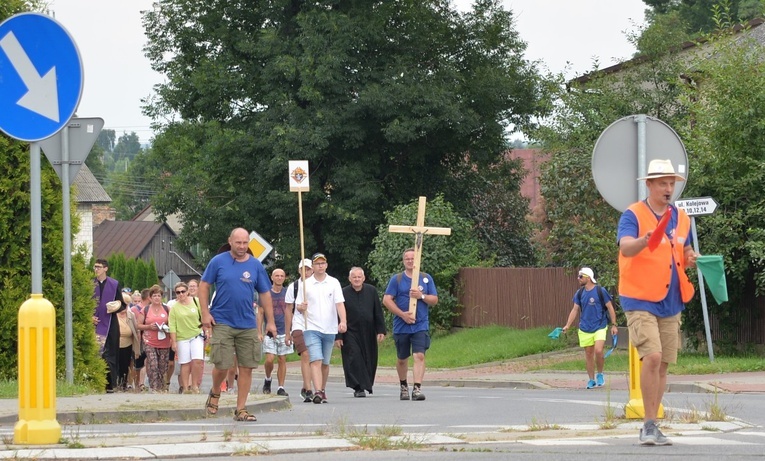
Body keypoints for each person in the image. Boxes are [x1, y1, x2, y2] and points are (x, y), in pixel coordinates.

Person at [617, 159, 698, 446]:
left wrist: (690, 258)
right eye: (662, 183)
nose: (668, 188)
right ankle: (648, 425)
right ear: (648, 185)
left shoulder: (682, 217)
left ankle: (653, 423)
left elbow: (685, 249)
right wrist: (645, 240)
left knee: (663, 363)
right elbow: (625, 247)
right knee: (651, 356)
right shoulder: (634, 214)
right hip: (639, 297)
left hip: (672, 298)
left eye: (671, 183)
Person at [199, 227, 276, 422]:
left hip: (247, 323)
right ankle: (216, 392)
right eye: (238, 242)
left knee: (247, 366)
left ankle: (241, 409)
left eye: (245, 243)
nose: (242, 247)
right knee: (222, 365)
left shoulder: (255, 265)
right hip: (222, 320)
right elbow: (204, 286)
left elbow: (265, 294)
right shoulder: (218, 261)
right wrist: (205, 313)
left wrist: (271, 322)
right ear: (230, 241)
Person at [382, 248, 438, 401]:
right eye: (407, 258)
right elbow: (387, 299)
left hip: (420, 324)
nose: (410, 261)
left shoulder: (426, 278)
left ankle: (417, 388)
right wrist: (402, 315)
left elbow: (434, 300)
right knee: (402, 358)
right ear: (403, 261)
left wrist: (421, 296)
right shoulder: (397, 279)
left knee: (419, 355)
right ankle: (403, 385)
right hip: (402, 325)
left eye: (413, 258)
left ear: (418, 260)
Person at [295, 253, 347, 404]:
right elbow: (298, 306)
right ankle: (317, 391)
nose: (320, 266)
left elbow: (339, 303)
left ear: (326, 265)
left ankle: (322, 389)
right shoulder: (306, 284)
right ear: (313, 266)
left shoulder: (333, 282)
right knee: (315, 359)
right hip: (311, 327)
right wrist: (301, 306)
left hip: (329, 328)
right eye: (317, 264)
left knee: (325, 362)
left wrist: (343, 321)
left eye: (322, 263)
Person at [561, 267, 618, 389]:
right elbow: (575, 310)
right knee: (588, 354)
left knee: (598, 351)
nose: (578, 278)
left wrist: (614, 325)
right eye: (578, 276)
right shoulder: (579, 293)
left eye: (581, 276)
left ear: (588, 277)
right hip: (585, 328)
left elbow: (610, 308)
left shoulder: (600, 291)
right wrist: (567, 325)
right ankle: (591, 380)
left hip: (600, 326)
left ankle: (600, 374)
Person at [337, 267, 386, 398]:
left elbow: (377, 312)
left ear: (363, 278)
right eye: (354, 277)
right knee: (354, 357)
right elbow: (338, 315)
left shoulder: (371, 291)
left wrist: (381, 329)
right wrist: (339, 336)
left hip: (369, 331)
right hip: (350, 331)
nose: (357, 279)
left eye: (359, 277)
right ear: (350, 279)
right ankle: (358, 387)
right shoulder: (343, 293)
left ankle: (366, 383)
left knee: (369, 358)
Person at [92, 258, 127, 393]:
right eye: (95, 267)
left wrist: (115, 307)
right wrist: (89, 317)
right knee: (96, 354)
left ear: (106, 268)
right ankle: (95, 383)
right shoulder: (90, 283)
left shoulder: (114, 284)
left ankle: (110, 385)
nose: (96, 269)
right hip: (94, 324)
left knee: (110, 355)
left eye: (99, 267)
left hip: (110, 324)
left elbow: (122, 304)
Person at [258, 268, 293, 396]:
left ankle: (280, 387)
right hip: (270, 331)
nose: (279, 278)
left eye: (281, 276)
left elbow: (291, 311)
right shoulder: (266, 294)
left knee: (282, 359)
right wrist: (259, 332)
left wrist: (291, 330)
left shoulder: (287, 293)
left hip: (284, 330)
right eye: (276, 275)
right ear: (272, 278)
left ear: (285, 278)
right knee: (269, 359)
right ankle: (268, 379)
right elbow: (260, 313)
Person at [285, 258, 315, 402]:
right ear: (299, 271)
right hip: (299, 324)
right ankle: (309, 389)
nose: (306, 272)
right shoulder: (294, 287)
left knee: (315, 358)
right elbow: (288, 309)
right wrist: (287, 332)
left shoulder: (318, 285)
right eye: (303, 269)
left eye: (309, 269)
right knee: (305, 354)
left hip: (315, 324)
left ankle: (306, 385)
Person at [168, 281, 205, 394]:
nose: (181, 294)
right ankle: (185, 387)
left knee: (197, 360)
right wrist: (173, 342)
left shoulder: (196, 301)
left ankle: (194, 385)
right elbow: (172, 325)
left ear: (187, 292)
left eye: (183, 291)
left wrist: (207, 330)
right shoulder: (174, 307)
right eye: (178, 292)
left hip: (196, 334)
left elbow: (203, 316)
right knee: (185, 363)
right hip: (182, 337)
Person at [136, 285, 172, 392]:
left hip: (164, 341)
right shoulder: (145, 309)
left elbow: (172, 324)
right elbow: (138, 325)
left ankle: (162, 387)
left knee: (162, 365)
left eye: (159, 295)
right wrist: (148, 327)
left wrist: (167, 328)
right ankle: (154, 387)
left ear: (162, 297)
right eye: (154, 296)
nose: (157, 298)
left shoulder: (167, 309)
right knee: (153, 363)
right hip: (149, 341)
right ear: (150, 298)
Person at [115, 291, 142, 391]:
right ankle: (115, 384)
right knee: (115, 365)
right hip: (115, 344)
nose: (123, 307)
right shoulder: (113, 315)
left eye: (126, 304)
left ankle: (123, 384)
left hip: (128, 344)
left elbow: (135, 330)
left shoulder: (131, 315)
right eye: (121, 304)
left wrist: (137, 346)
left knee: (125, 365)